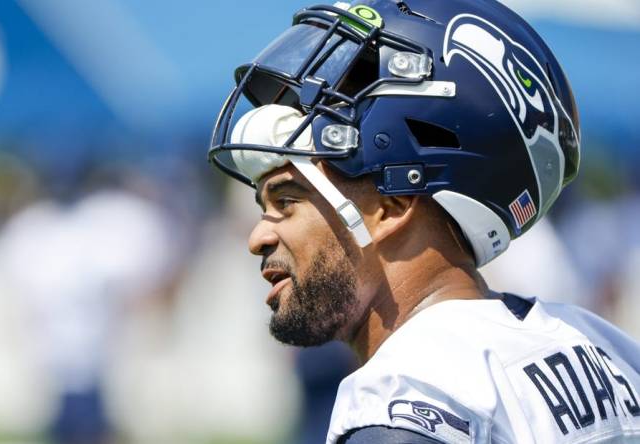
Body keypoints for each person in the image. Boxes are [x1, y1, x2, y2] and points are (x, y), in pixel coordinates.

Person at [206, 1, 640, 443]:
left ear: (392, 205)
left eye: (288, 199)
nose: (259, 236)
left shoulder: (409, 397)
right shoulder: (610, 353)